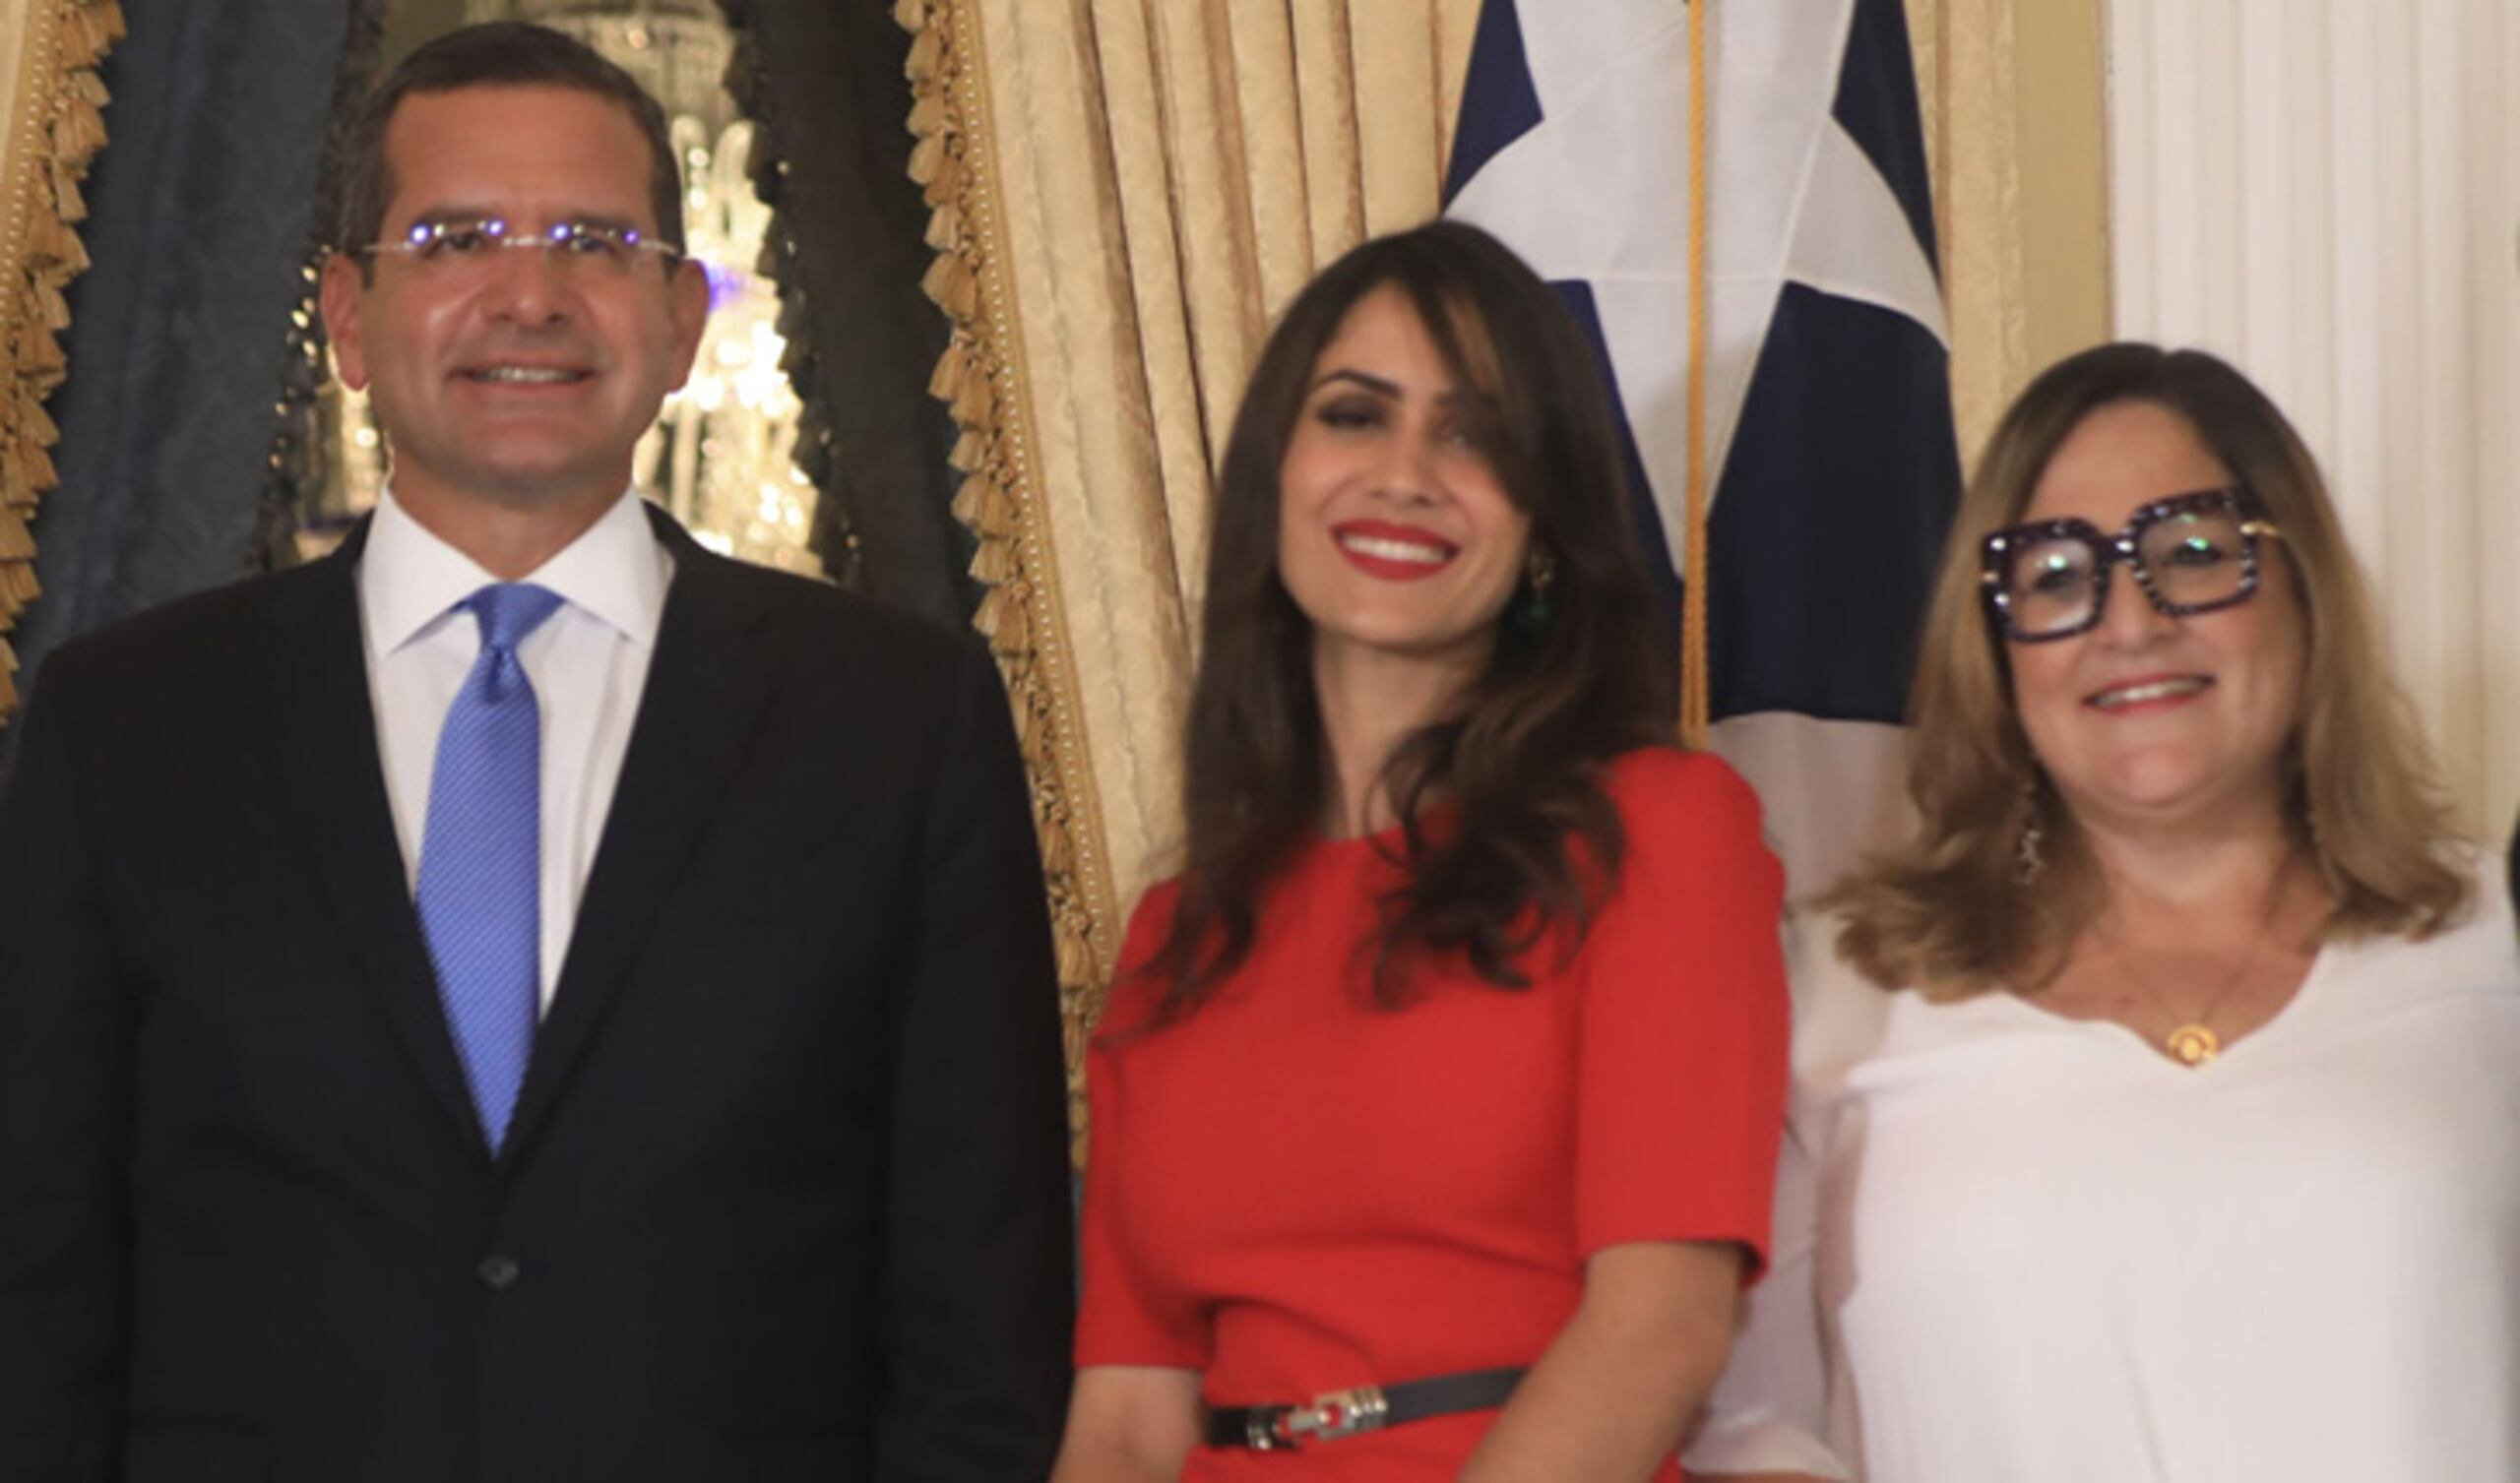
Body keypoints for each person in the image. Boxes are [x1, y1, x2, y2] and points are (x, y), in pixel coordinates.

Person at [0, 24, 1073, 1480]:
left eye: (593, 239)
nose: (529, 293)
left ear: (685, 317)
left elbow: (978, 1307)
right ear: (347, 315)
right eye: (452, 238)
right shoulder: (125, 723)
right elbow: (36, 1282)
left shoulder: (899, 720)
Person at [1688, 343, 2520, 1482]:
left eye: (2191, 551)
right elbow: (1747, 1423)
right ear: (1993, 649)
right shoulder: (1833, 990)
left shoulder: (2490, 939)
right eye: (2054, 574)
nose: (2127, 621)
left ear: (2304, 588)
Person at [1047, 220, 1792, 1482]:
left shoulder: (1662, 828)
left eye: (1475, 436)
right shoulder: (1172, 932)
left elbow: (1661, 1328)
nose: (1404, 474)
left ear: (1544, 522)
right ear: (1274, 479)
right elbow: (1123, 1422)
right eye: (1354, 415)